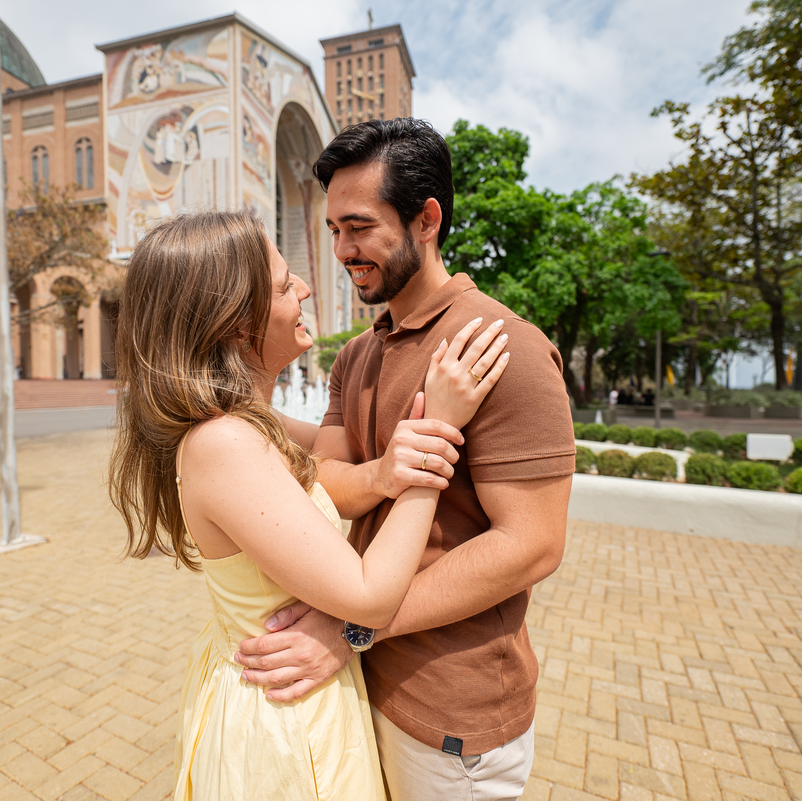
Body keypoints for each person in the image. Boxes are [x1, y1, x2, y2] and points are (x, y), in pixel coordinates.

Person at [108, 210, 511, 800]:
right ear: (234, 322)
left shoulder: (249, 424)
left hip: (282, 694)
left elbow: (325, 458)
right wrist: (436, 438)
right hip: (287, 720)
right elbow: (370, 594)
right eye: (282, 284)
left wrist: (380, 468)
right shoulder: (224, 442)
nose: (305, 288)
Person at [236, 118, 577, 801]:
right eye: (333, 229)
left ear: (426, 219)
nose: (342, 249)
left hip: (452, 712)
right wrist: (237, 414)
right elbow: (333, 471)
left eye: (358, 227)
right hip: (363, 681)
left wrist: (353, 626)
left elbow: (532, 544)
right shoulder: (361, 352)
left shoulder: (501, 345)